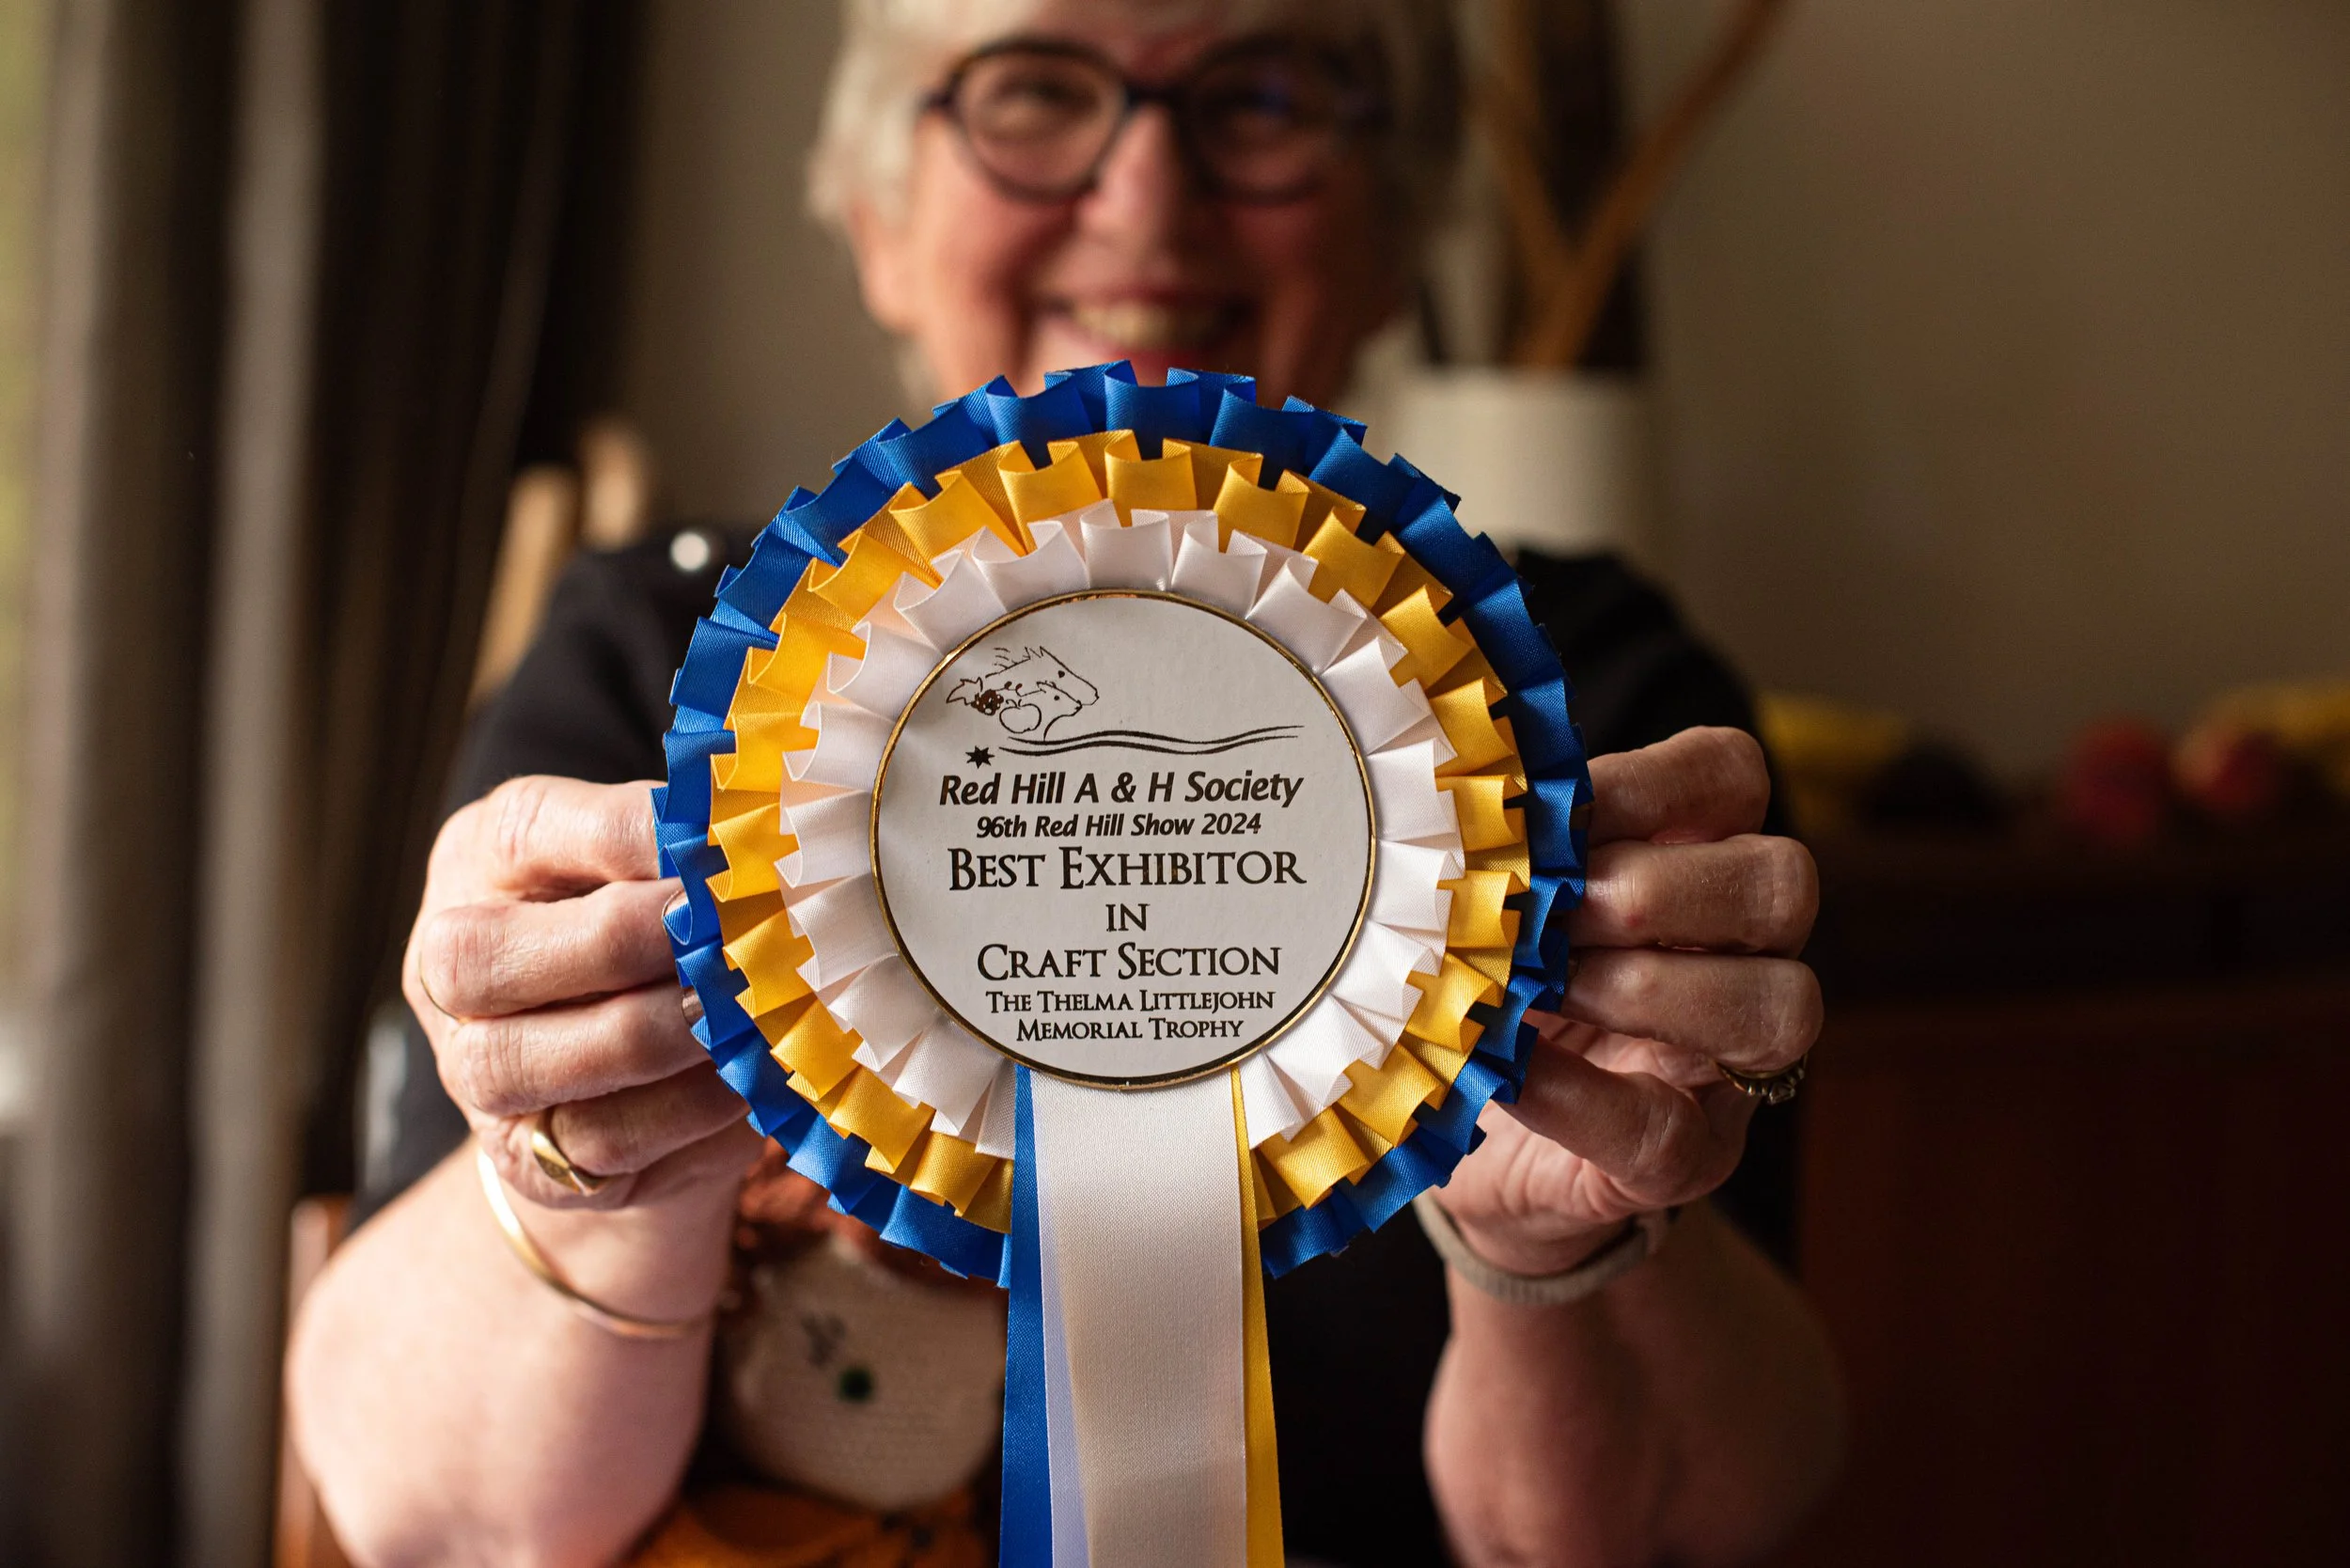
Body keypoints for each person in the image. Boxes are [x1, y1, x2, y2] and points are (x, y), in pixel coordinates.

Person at [289, 3, 1842, 1564]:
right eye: (1034, 90)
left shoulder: (1576, 722)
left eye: (1268, 94)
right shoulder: (656, 684)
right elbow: (433, 1521)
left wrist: (1551, 1244)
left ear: (1395, 227)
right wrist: (580, 1186)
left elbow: (1678, 1533)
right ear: (877, 220)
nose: (1148, 197)